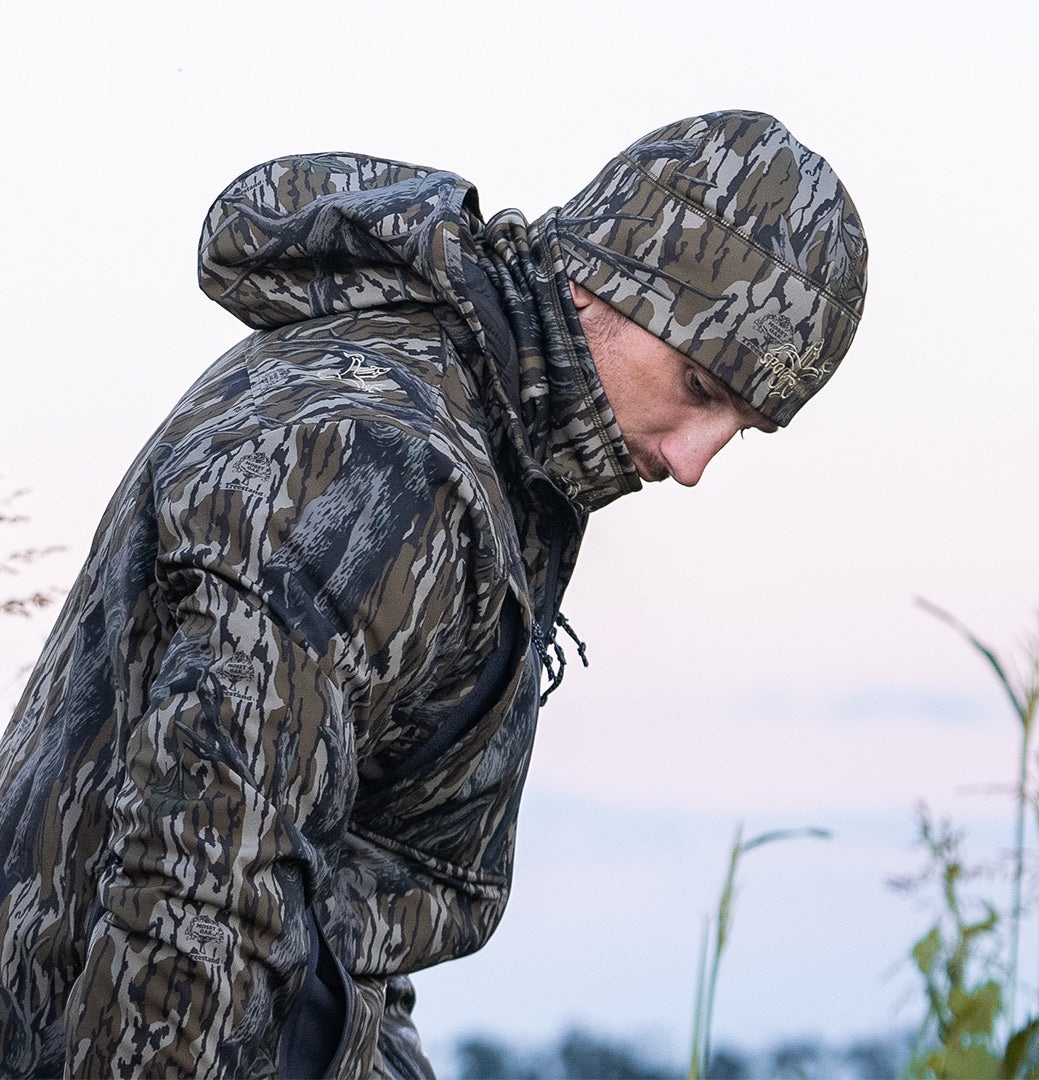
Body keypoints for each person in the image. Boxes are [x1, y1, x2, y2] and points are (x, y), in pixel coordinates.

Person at [0, 110, 867, 1078]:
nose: (694, 461)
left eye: (742, 426)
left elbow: (345, 899)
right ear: (602, 283)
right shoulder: (378, 453)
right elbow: (203, 877)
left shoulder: (492, 444)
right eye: (700, 387)